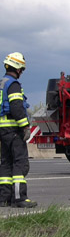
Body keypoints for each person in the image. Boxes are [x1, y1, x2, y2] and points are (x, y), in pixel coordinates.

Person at [0, 52, 37, 208]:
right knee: (19, 163)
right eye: (21, 69)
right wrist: (25, 126)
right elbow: (16, 107)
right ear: (18, 68)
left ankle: (4, 198)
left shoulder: (2, 83)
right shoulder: (13, 84)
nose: (21, 72)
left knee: (6, 163)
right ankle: (19, 198)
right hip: (13, 129)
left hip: (3, 130)